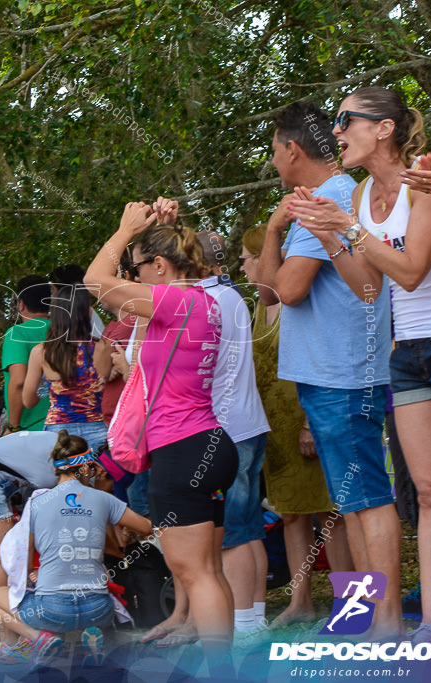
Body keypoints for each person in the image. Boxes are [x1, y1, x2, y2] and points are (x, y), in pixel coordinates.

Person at [287, 89, 431, 645]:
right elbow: (369, 289)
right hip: (405, 353)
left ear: (384, 128)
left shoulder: (428, 177)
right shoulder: (360, 196)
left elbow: (410, 272)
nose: (335, 132)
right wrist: (330, 236)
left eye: (345, 121)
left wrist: (349, 228)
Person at [257, 100, 399, 638]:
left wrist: (281, 233)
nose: (274, 161)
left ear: (292, 149)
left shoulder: (332, 195)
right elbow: (270, 290)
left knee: (367, 501)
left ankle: (383, 623)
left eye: (274, 151)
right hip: (326, 374)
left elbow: (287, 292)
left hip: (344, 373)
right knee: (351, 504)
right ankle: (362, 614)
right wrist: (273, 233)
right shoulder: (316, 202)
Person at [84, 198, 238, 668]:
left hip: (182, 450)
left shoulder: (175, 301)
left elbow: (94, 281)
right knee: (209, 571)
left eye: (139, 268)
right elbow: (174, 259)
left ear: (159, 266)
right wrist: (165, 229)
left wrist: (125, 228)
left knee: (196, 575)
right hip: (209, 443)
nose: (133, 277)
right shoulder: (202, 301)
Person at [239, 226, 351, 627]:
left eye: (246, 258)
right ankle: (300, 600)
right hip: (272, 429)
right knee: (289, 515)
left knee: (331, 515)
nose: (242, 265)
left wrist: (309, 423)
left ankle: (349, 605)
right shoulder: (256, 306)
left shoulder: (296, 299)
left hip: (307, 418)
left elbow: (320, 354)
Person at [0, 431, 152, 666]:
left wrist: (33, 579)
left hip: (52, 612)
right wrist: (125, 531)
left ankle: (38, 638)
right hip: (98, 608)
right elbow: (146, 527)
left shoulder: (36, 504)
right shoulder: (104, 499)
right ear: (84, 467)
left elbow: (18, 556)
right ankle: (93, 633)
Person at [194, 231, 272, 640]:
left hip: (227, 427)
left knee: (234, 534)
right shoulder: (233, 296)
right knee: (251, 526)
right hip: (249, 422)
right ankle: (253, 615)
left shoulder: (207, 301)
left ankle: (243, 621)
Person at [22, 284, 112, 447]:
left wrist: (48, 387)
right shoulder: (105, 348)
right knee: (93, 473)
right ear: (88, 313)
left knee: (65, 473)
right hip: (98, 430)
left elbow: (28, 401)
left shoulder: (41, 352)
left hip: (59, 434)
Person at [0, 275, 53, 434]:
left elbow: (18, 382)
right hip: (67, 421)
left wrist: (13, 426)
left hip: (32, 429)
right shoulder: (65, 330)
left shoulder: (17, 333)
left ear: (21, 304)